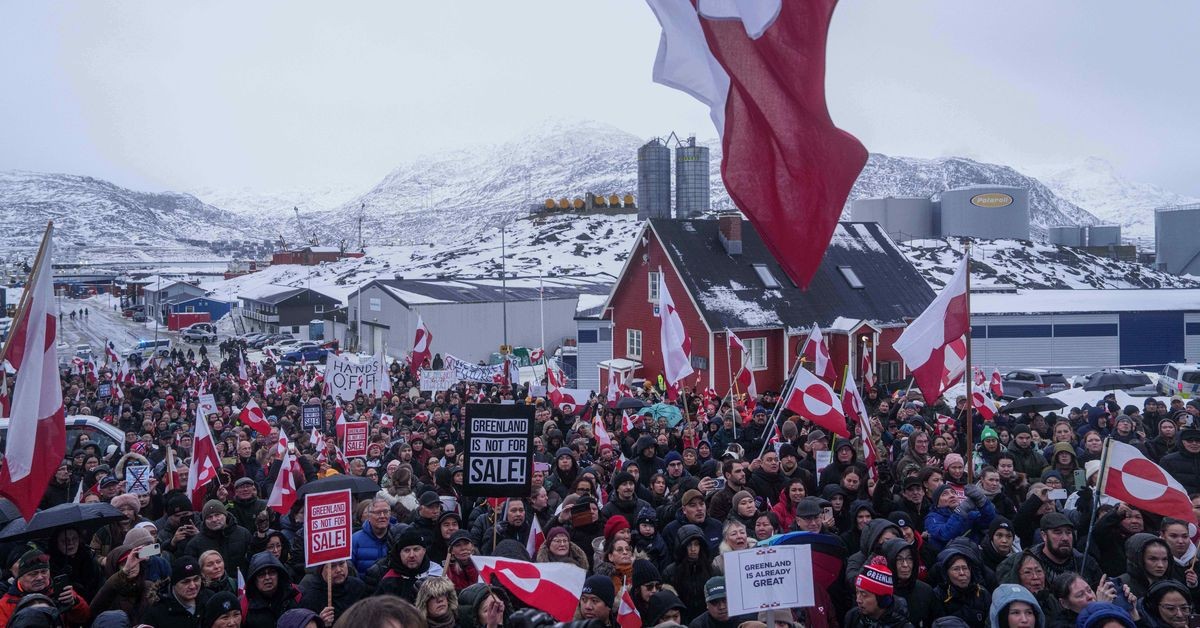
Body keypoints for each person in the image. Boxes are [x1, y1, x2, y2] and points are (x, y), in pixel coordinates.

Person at [0, 549, 90, 627]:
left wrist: (75, 603)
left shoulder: (62, 593)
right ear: (20, 577)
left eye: (44, 572)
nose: (40, 577)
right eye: (33, 574)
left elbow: (84, 618)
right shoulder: (5, 604)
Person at [183, 500, 253, 577]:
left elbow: (252, 560)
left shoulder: (243, 534)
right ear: (204, 521)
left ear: (225, 515)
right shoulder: (195, 543)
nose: (214, 519)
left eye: (217, 515)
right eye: (209, 517)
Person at [376, 526, 443, 601]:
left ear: (424, 551)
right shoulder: (389, 581)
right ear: (399, 553)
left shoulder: (437, 573)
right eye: (407, 550)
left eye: (416, 549)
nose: (412, 555)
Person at [843, 557, 912, 628]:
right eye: (857, 592)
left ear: (883, 599)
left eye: (864, 595)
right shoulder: (852, 617)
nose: (858, 600)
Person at [242, 551, 301, 628]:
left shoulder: (295, 595)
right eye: (261, 574)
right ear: (254, 580)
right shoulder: (245, 605)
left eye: (272, 572)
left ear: (279, 575)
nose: (267, 578)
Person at [142, 556, 207, 627]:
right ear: (174, 584)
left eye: (196, 579)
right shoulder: (157, 613)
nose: (193, 586)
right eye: (185, 582)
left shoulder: (209, 599)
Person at [297, 560, 364, 625]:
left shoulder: (357, 586)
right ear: (321, 570)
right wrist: (319, 623)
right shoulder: (310, 597)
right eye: (332, 566)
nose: (339, 570)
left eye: (341, 564)